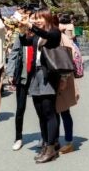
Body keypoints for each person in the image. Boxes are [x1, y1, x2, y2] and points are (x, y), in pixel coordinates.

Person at [20, 9, 62, 164]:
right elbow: (25, 41)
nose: (37, 21)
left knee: (49, 111)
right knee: (40, 112)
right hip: (35, 75)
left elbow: (49, 37)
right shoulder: (38, 34)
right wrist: (22, 29)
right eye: (35, 19)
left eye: (40, 18)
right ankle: (46, 143)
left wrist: (31, 26)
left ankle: (51, 147)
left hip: (48, 75)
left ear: (48, 18)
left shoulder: (54, 32)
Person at [6, 7, 32, 151]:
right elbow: (14, 54)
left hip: (36, 77)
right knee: (20, 108)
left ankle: (44, 137)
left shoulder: (38, 36)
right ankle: (18, 137)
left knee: (41, 109)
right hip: (22, 76)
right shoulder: (20, 37)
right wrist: (10, 73)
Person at [56, 15, 80, 154]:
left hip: (63, 78)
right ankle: (57, 140)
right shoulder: (61, 35)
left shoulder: (61, 38)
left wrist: (64, 79)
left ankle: (68, 141)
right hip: (60, 77)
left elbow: (66, 59)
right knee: (60, 111)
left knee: (63, 110)